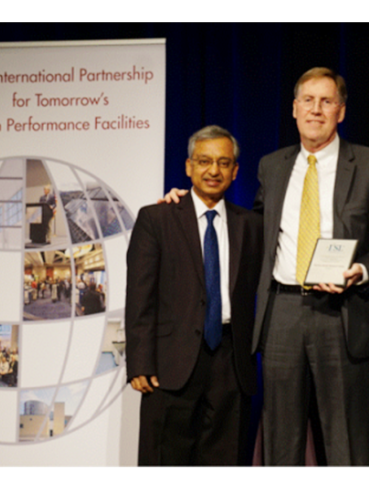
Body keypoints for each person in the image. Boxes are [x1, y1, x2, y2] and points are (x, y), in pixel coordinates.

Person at [163, 68, 369, 465]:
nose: (316, 110)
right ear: (294, 109)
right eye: (308, 100)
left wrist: (359, 271)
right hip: (282, 314)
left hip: (345, 315)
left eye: (326, 101)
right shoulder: (272, 166)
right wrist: (187, 204)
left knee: (347, 444)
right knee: (280, 442)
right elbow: (250, 230)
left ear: (341, 111)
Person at [126, 125, 263, 465]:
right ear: (189, 166)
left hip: (231, 363)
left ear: (235, 171)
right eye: (204, 161)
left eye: (223, 163)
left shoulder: (251, 225)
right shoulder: (156, 218)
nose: (213, 170)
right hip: (170, 364)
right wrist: (140, 361)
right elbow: (140, 297)